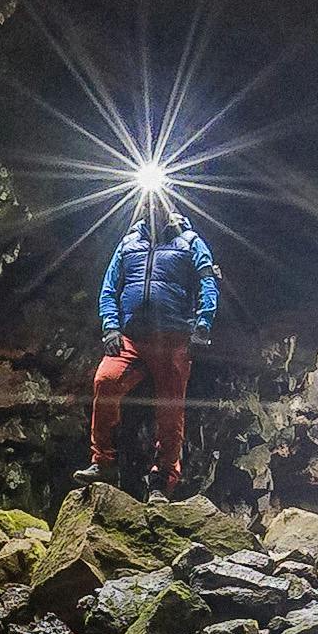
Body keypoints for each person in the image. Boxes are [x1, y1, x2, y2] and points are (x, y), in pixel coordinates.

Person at [87, 183, 222, 490]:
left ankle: (162, 480)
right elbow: (109, 288)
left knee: (170, 410)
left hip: (173, 338)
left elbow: (208, 282)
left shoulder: (190, 242)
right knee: (105, 382)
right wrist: (110, 326)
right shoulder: (129, 243)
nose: (153, 207)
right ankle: (103, 464)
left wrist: (203, 325)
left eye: (158, 202)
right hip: (132, 338)